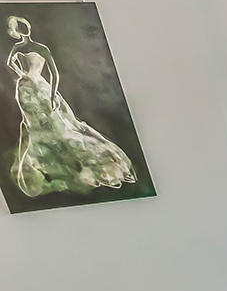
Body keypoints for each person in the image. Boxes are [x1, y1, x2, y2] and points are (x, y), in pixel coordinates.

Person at [6, 15, 136, 197]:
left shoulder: (24, 48)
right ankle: (51, 163)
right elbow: (52, 74)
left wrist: (32, 81)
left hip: (32, 89)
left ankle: (66, 163)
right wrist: (46, 89)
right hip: (33, 89)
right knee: (36, 127)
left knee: (55, 126)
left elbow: (51, 73)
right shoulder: (35, 48)